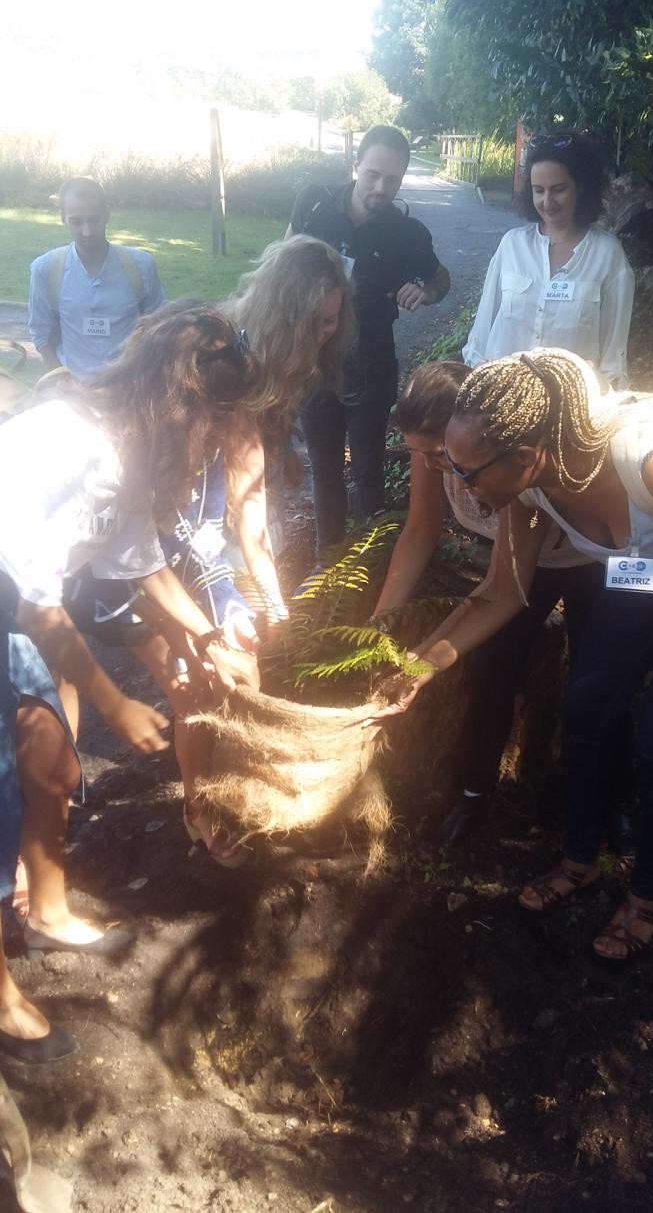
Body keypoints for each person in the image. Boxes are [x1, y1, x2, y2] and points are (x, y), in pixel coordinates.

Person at [372, 350, 653, 961]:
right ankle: (581, 858)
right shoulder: (533, 489)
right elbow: (504, 590)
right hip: (643, 576)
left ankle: (649, 895)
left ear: (527, 452)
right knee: (587, 703)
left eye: (465, 470)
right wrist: (418, 667)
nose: (457, 482)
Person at [0, 305, 261, 1059]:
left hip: (19, 603)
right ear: (182, 400)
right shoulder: (76, 445)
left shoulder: (129, 448)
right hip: (14, 599)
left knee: (52, 754)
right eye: (214, 420)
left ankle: (46, 910)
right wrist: (117, 704)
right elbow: (37, 608)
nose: (215, 440)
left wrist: (209, 638)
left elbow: (140, 562)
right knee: (4, 783)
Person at [138, 239, 355, 862]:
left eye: (334, 320)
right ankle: (198, 804)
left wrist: (269, 596)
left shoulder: (242, 411)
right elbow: (143, 542)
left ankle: (232, 789)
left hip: (211, 541)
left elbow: (249, 515)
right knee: (190, 681)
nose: (328, 333)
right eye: (317, 322)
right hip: (148, 558)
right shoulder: (207, 379)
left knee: (240, 670)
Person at [373, 360, 633, 846]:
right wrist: (380, 625)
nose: (431, 465)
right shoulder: (438, 450)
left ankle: (611, 794)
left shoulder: (497, 463)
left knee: (598, 676)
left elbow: (503, 583)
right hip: (517, 563)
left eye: (436, 454)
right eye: (419, 454)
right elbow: (422, 528)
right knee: (490, 665)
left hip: (587, 557)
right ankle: (474, 793)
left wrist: (420, 662)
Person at [288, 125, 450, 549]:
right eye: (373, 174)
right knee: (324, 470)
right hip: (315, 361)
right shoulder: (315, 203)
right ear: (355, 165)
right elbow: (284, 263)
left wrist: (427, 292)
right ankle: (328, 562)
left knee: (367, 472)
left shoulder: (407, 234)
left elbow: (440, 278)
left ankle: (367, 566)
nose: (381, 188)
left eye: (393, 180)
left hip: (371, 364)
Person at [464, 134, 634, 387]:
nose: (547, 202)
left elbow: (613, 356)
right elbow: (480, 335)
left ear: (582, 187)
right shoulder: (512, 245)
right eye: (538, 190)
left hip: (570, 412)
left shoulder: (607, 255)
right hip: (500, 401)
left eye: (559, 189)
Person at [28, 177, 165, 378]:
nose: (87, 231)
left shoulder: (141, 266)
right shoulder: (45, 269)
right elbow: (40, 334)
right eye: (76, 222)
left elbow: (158, 328)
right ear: (63, 218)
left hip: (128, 386)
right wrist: (60, 380)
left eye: (94, 220)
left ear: (107, 215)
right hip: (72, 388)